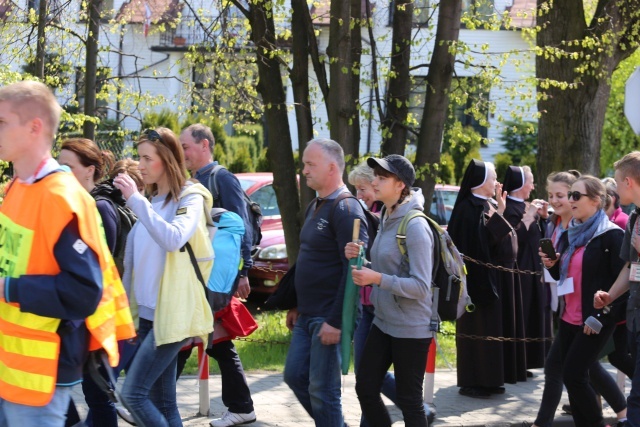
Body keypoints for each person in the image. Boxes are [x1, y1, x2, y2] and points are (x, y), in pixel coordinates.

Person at [0, 81, 134, 427]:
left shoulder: (61, 197)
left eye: (2, 122)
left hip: (40, 373)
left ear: (34, 127)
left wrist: (8, 289)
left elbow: (83, 291)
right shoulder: (18, 188)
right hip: (14, 367)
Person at [116, 127, 214, 427]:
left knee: (132, 395)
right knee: (165, 404)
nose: (140, 165)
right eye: (139, 157)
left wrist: (136, 202)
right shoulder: (153, 201)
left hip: (172, 316)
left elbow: (173, 239)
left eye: (147, 158)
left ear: (168, 159)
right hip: (148, 317)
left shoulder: (190, 197)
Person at [283, 138, 368, 426]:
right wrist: (295, 305)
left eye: (310, 164)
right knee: (294, 376)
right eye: (304, 164)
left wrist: (336, 321)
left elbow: (353, 271)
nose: (304, 170)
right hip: (308, 314)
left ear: (332, 168)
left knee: (324, 390)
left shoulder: (347, 210)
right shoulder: (316, 205)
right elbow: (309, 259)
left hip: (328, 317)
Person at [178, 123, 257, 427]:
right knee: (217, 341)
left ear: (205, 145)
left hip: (213, 280)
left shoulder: (221, 179)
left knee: (186, 339)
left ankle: (149, 402)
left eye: (186, 146)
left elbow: (242, 228)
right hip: (198, 276)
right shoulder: (193, 180)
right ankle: (241, 406)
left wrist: (243, 272)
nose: (182, 152)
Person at [345, 155, 433, 427]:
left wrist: (377, 278)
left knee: (409, 402)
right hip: (384, 322)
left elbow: (420, 286)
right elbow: (388, 268)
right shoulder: (386, 214)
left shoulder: (415, 225)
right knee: (366, 388)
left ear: (400, 186)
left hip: (410, 328)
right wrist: (363, 262)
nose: (374, 182)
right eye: (376, 176)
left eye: (382, 178)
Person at [541, 175, 626, 427]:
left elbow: (623, 288)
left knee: (574, 374)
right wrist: (554, 266)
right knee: (573, 377)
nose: (570, 200)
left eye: (576, 195)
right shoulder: (571, 232)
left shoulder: (612, 236)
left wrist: (600, 317)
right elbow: (567, 276)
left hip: (594, 319)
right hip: (569, 316)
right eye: (570, 195)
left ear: (596, 200)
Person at [58, 138, 122, 427]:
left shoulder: (99, 207)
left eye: (68, 166)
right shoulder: (79, 204)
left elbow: (97, 268)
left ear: (90, 170)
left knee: (97, 396)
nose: (60, 172)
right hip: (81, 317)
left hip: (97, 318)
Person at [448, 159, 520, 398]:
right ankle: (473, 382)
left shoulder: (485, 204)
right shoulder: (468, 208)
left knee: (491, 330)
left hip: (491, 278)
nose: (497, 181)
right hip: (475, 283)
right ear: (480, 182)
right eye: (493, 177)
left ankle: (491, 379)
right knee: (477, 331)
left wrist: (499, 210)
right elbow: (482, 243)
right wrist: (499, 214)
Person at [594, 151, 640, 427]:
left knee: (636, 398)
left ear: (628, 182)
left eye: (617, 182)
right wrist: (610, 295)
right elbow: (628, 266)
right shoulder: (634, 218)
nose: (614, 187)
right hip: (635, 317)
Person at [502, 166, 552, 371]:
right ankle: (516, 362)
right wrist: (530, 216)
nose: (533, 186)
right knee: (521, 316)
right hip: (519, 271)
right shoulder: (508, 208)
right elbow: (512, 238)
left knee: (533, 315)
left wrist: (543, 217)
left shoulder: (525, 206)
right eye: (530, 182)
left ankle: (529, 361)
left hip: (533, 270)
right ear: (521, 184)